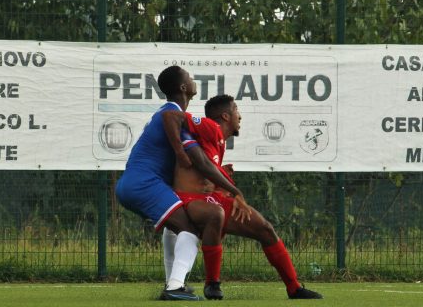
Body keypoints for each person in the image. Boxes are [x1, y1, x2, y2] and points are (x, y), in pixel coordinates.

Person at [163, 94, 323, 300]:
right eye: (237, 110)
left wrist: (222, 177)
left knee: (265, 228)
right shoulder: (210, 126)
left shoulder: (217, 140)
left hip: (209, 198)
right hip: (190, 199)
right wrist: (179, 151)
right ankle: (211, 283)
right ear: (226, 116)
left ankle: (294, 288)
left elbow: (204, 168)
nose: (241, 116)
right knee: (216, 214)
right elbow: (171, 116)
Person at [115, 67, 250, 301]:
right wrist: (180, 152)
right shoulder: (172, 113)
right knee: (190, 229)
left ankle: (174, 283)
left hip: (135, 183)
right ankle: (175, 286)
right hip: (144, 184)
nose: (193, 80)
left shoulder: (172, 114)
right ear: (183, 88)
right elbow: (194, 156)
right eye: (189, 77)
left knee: (174, 227)